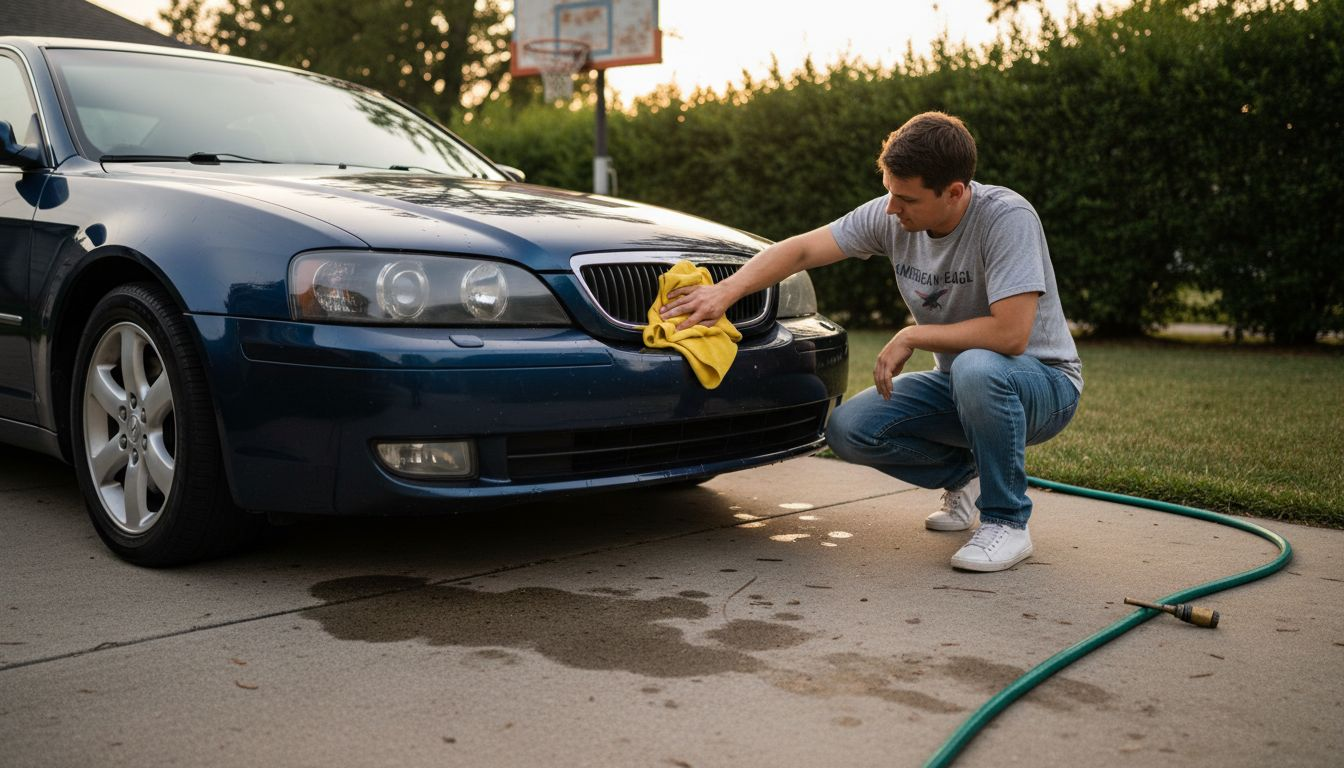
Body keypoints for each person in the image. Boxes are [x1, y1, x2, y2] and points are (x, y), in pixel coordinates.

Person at [659, 111, 1082, 572]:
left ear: (955, 192)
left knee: (975, 366)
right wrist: (725, 290)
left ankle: (1007, 522)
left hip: (1043, 386)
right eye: (888, 192)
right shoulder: (893, 215)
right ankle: (968, 477)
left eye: (906, 198)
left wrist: (913, 333)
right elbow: (801, 249)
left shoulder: (1005, 218)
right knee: (849, 429)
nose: (890, 209)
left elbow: (1011, 334)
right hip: (962, 387)